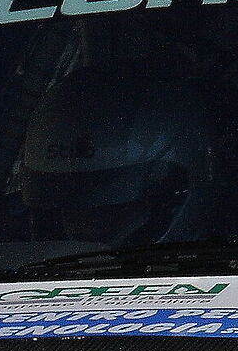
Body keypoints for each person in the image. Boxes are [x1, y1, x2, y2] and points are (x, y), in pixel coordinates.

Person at [17, 64, 214, 246]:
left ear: (170, 193)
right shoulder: (5, 255)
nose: (86, 226)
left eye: (110, 211)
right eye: (68, 205)